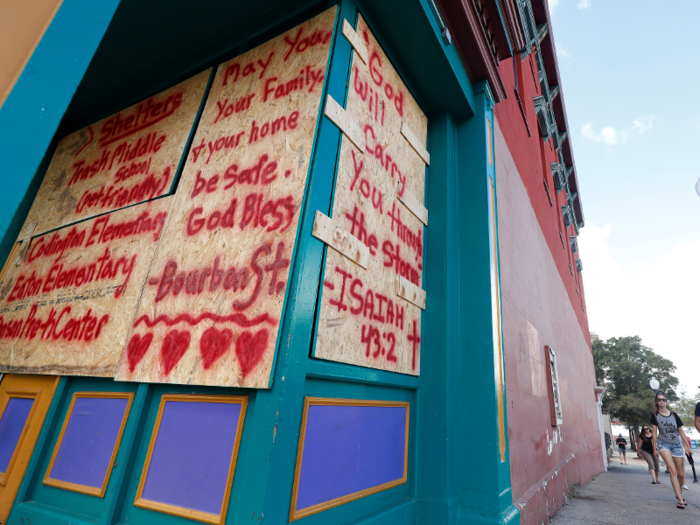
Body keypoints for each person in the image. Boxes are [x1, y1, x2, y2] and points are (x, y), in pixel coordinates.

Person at [650, 390, 692, 509]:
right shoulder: (655, 415)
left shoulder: (674, 414)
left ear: (666, 401)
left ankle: (680, 494)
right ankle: (679, 499)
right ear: (656, 401)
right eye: (659, 399)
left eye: (663, 399)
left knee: (680, 473)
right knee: (672, 470)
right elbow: (654, 433)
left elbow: (681, 431)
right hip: (663, 444)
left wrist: (687, 446)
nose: (661, 401)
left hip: (677, 444)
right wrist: (654, 447)